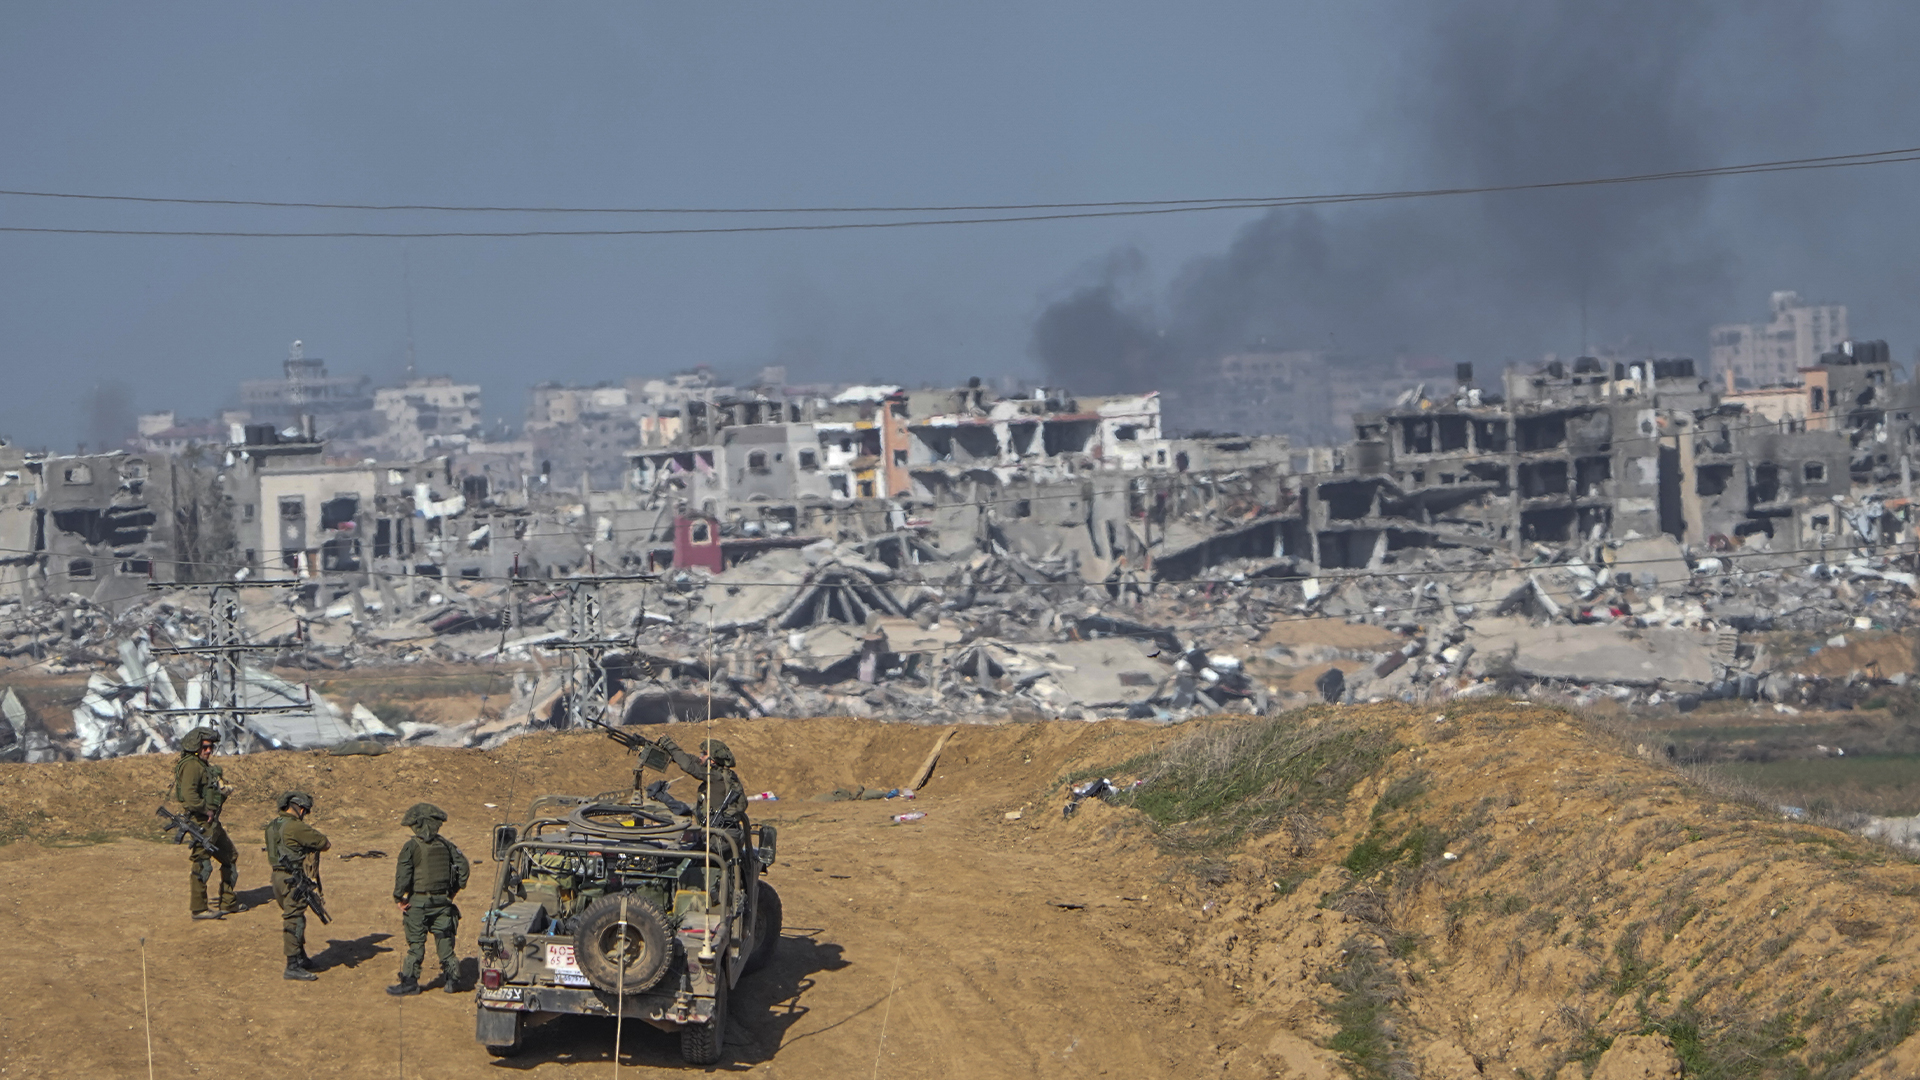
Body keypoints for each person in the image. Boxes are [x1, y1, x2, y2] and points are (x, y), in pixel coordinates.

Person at [388, 803, 471, 996]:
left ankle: (410, 982)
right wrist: (452, 892)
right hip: (443, 903)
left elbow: (403, 875)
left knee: (416, 945)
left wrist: (398, 898)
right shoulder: (446, 844)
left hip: (417, 903)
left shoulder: (411, 847)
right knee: (445, 942)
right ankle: (452, 980)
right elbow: (463, 868)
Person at [172, 726, 243, 920]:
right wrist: (205, 809)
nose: (209, 751)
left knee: (230, 856)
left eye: (211, 747)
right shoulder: (191, 766)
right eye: (205, 747)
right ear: (195, 747)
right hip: (201, 822)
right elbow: (189, 796)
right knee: (202, 864)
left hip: (212, 823)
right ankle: (199, 909)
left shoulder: (203, 766)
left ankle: (228, 903)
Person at [264, 791, 331, 981]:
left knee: (296, 916)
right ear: (300, 808)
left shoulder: (272, 826)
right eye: (305, 811)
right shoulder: (295, 827)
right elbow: (325, 843)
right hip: (292, 879)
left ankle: (301, 957)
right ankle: (292, 965)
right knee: (294, 920)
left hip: (277, 878)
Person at [656, 735, 748, 831]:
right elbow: (692, 759)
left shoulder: (715, 776)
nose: (700, 756)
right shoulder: (724, 773)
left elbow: (689, 766)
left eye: (704, 754)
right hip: (725, 832)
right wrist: (670, 752)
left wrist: (668, 744)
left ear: (712, 760)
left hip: (719, 836)